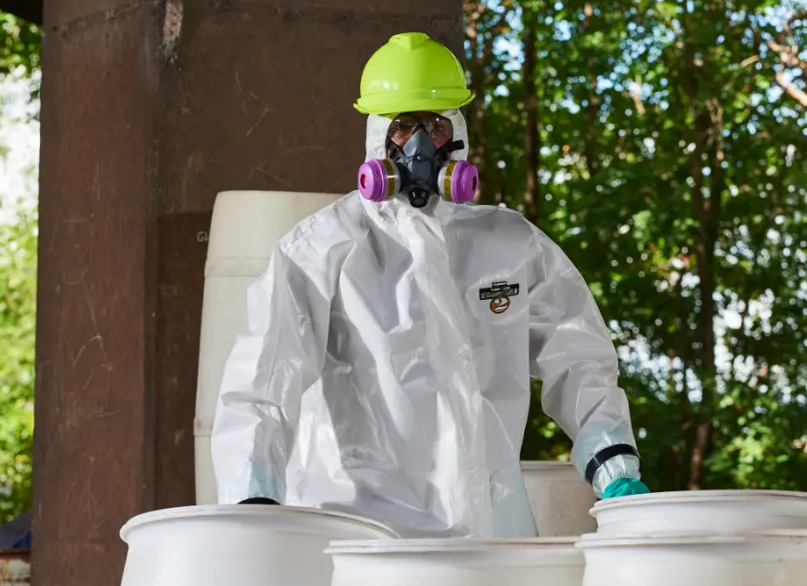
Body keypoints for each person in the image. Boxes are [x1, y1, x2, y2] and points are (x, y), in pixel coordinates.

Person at [212, 32, 649, 538]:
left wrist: (613, 464)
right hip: (360, 538)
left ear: (457, 133)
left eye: (436, 127)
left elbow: (579, 358)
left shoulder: (509, 246)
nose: (420, 146)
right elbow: (263, 386)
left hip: (491, 535)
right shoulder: (322, 250)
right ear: (377, 136)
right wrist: (254, 500)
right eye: (402, 127)